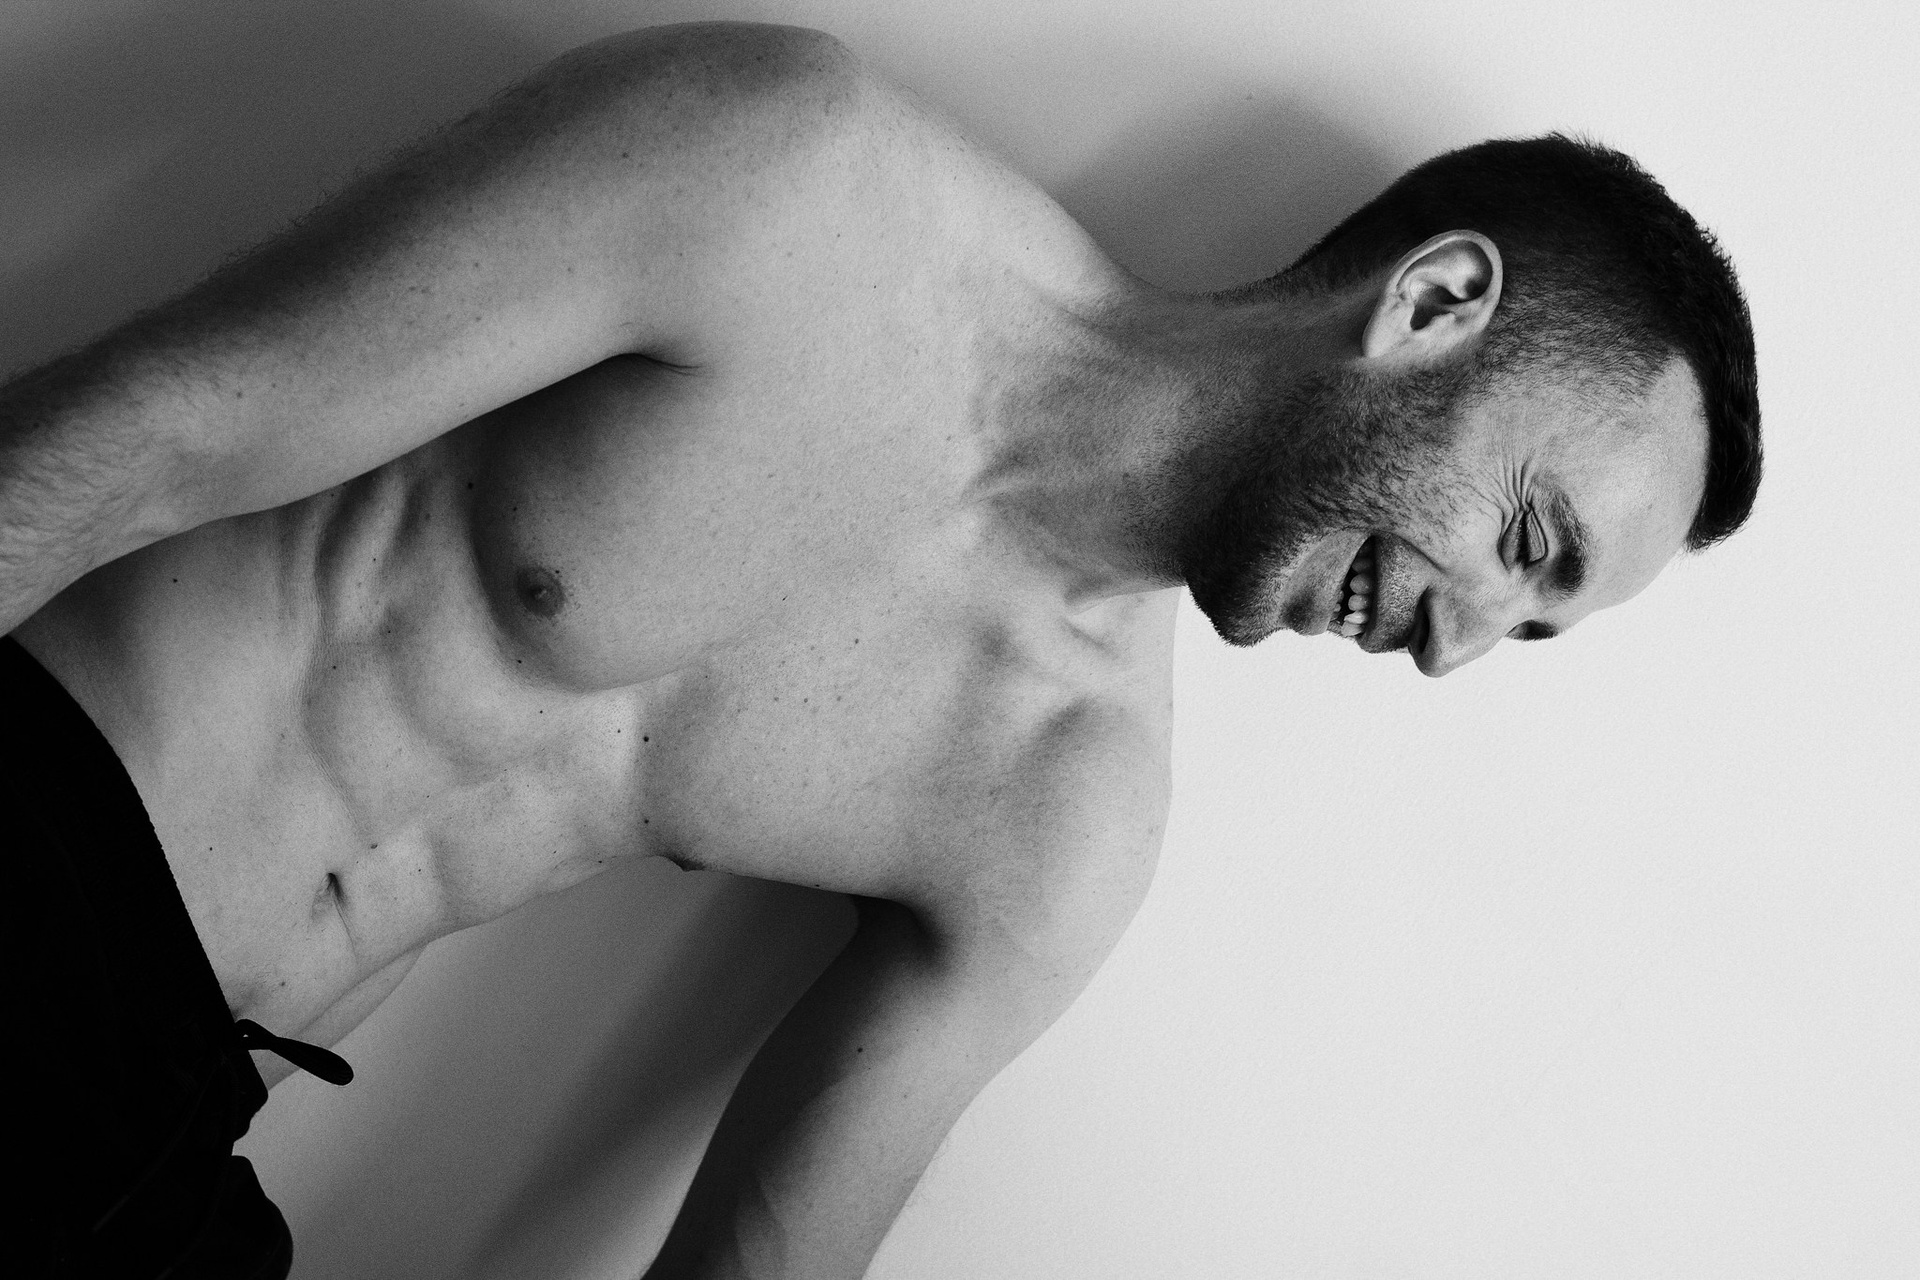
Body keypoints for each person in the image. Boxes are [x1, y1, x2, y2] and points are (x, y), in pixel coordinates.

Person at [1, 20, 1759, 1279]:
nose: (1459, 654)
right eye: (1528, 543)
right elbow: (151, 427)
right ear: (1434, 306)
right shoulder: (798, 181)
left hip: (174, 1143)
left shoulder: (1066, 808)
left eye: (1532, 633)